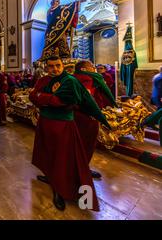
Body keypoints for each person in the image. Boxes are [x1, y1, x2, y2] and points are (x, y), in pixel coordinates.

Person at [29, 56, 110, 212]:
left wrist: (43, 98)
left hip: (63, 125)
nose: (55, 69)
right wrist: (46, 98)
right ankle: (50, 177)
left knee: (62, 158)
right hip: (45, 123)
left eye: (58, 65)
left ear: (62, 66)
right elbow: (33, 96)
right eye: (51, 66)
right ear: (46, 67)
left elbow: (66, 102)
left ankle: (59, 190)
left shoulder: (69, 81)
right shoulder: (43, 80)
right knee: (48, 154)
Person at [74, 60, 117, 178]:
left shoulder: (74, 77)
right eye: (91, 67)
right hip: (87, 116)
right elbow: (86, 97)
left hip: (77, 115)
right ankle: (82, 170)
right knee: (86, 144)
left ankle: (80, 168)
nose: (94, 69)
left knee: (79, 145)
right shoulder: (87, 78)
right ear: (83, 69)